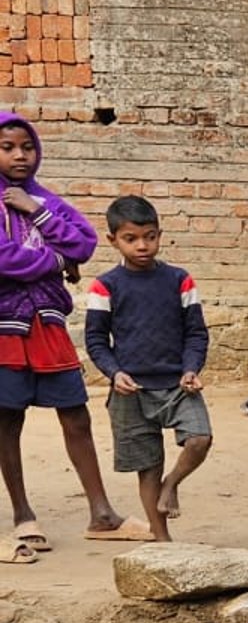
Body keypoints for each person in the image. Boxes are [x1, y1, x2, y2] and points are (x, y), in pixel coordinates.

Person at [0, 110, 127, 557]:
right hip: (5, 329)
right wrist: (55, 263)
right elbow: (5, 260)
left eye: (27, 146)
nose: (20, 155)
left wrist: (34, 211)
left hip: (48, 325)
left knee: (75, 413)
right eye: (8, 147)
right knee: (7, 419)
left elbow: (84, 243)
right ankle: (21, 513)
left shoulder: (43, 201)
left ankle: (101, 511)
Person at [83, 195, 211, 544]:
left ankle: (172, 484)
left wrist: (190, 368)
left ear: (159, 234)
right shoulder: (105, 286)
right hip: (131, 390)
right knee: (147, 465)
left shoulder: (179, 280)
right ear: (113, 241)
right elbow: (95, 339)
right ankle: (162, 540)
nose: (142, 245)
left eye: (150, 236)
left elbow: (196, 333)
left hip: (177, 384)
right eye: (131, 238)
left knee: (200, 439)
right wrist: (114, 372)